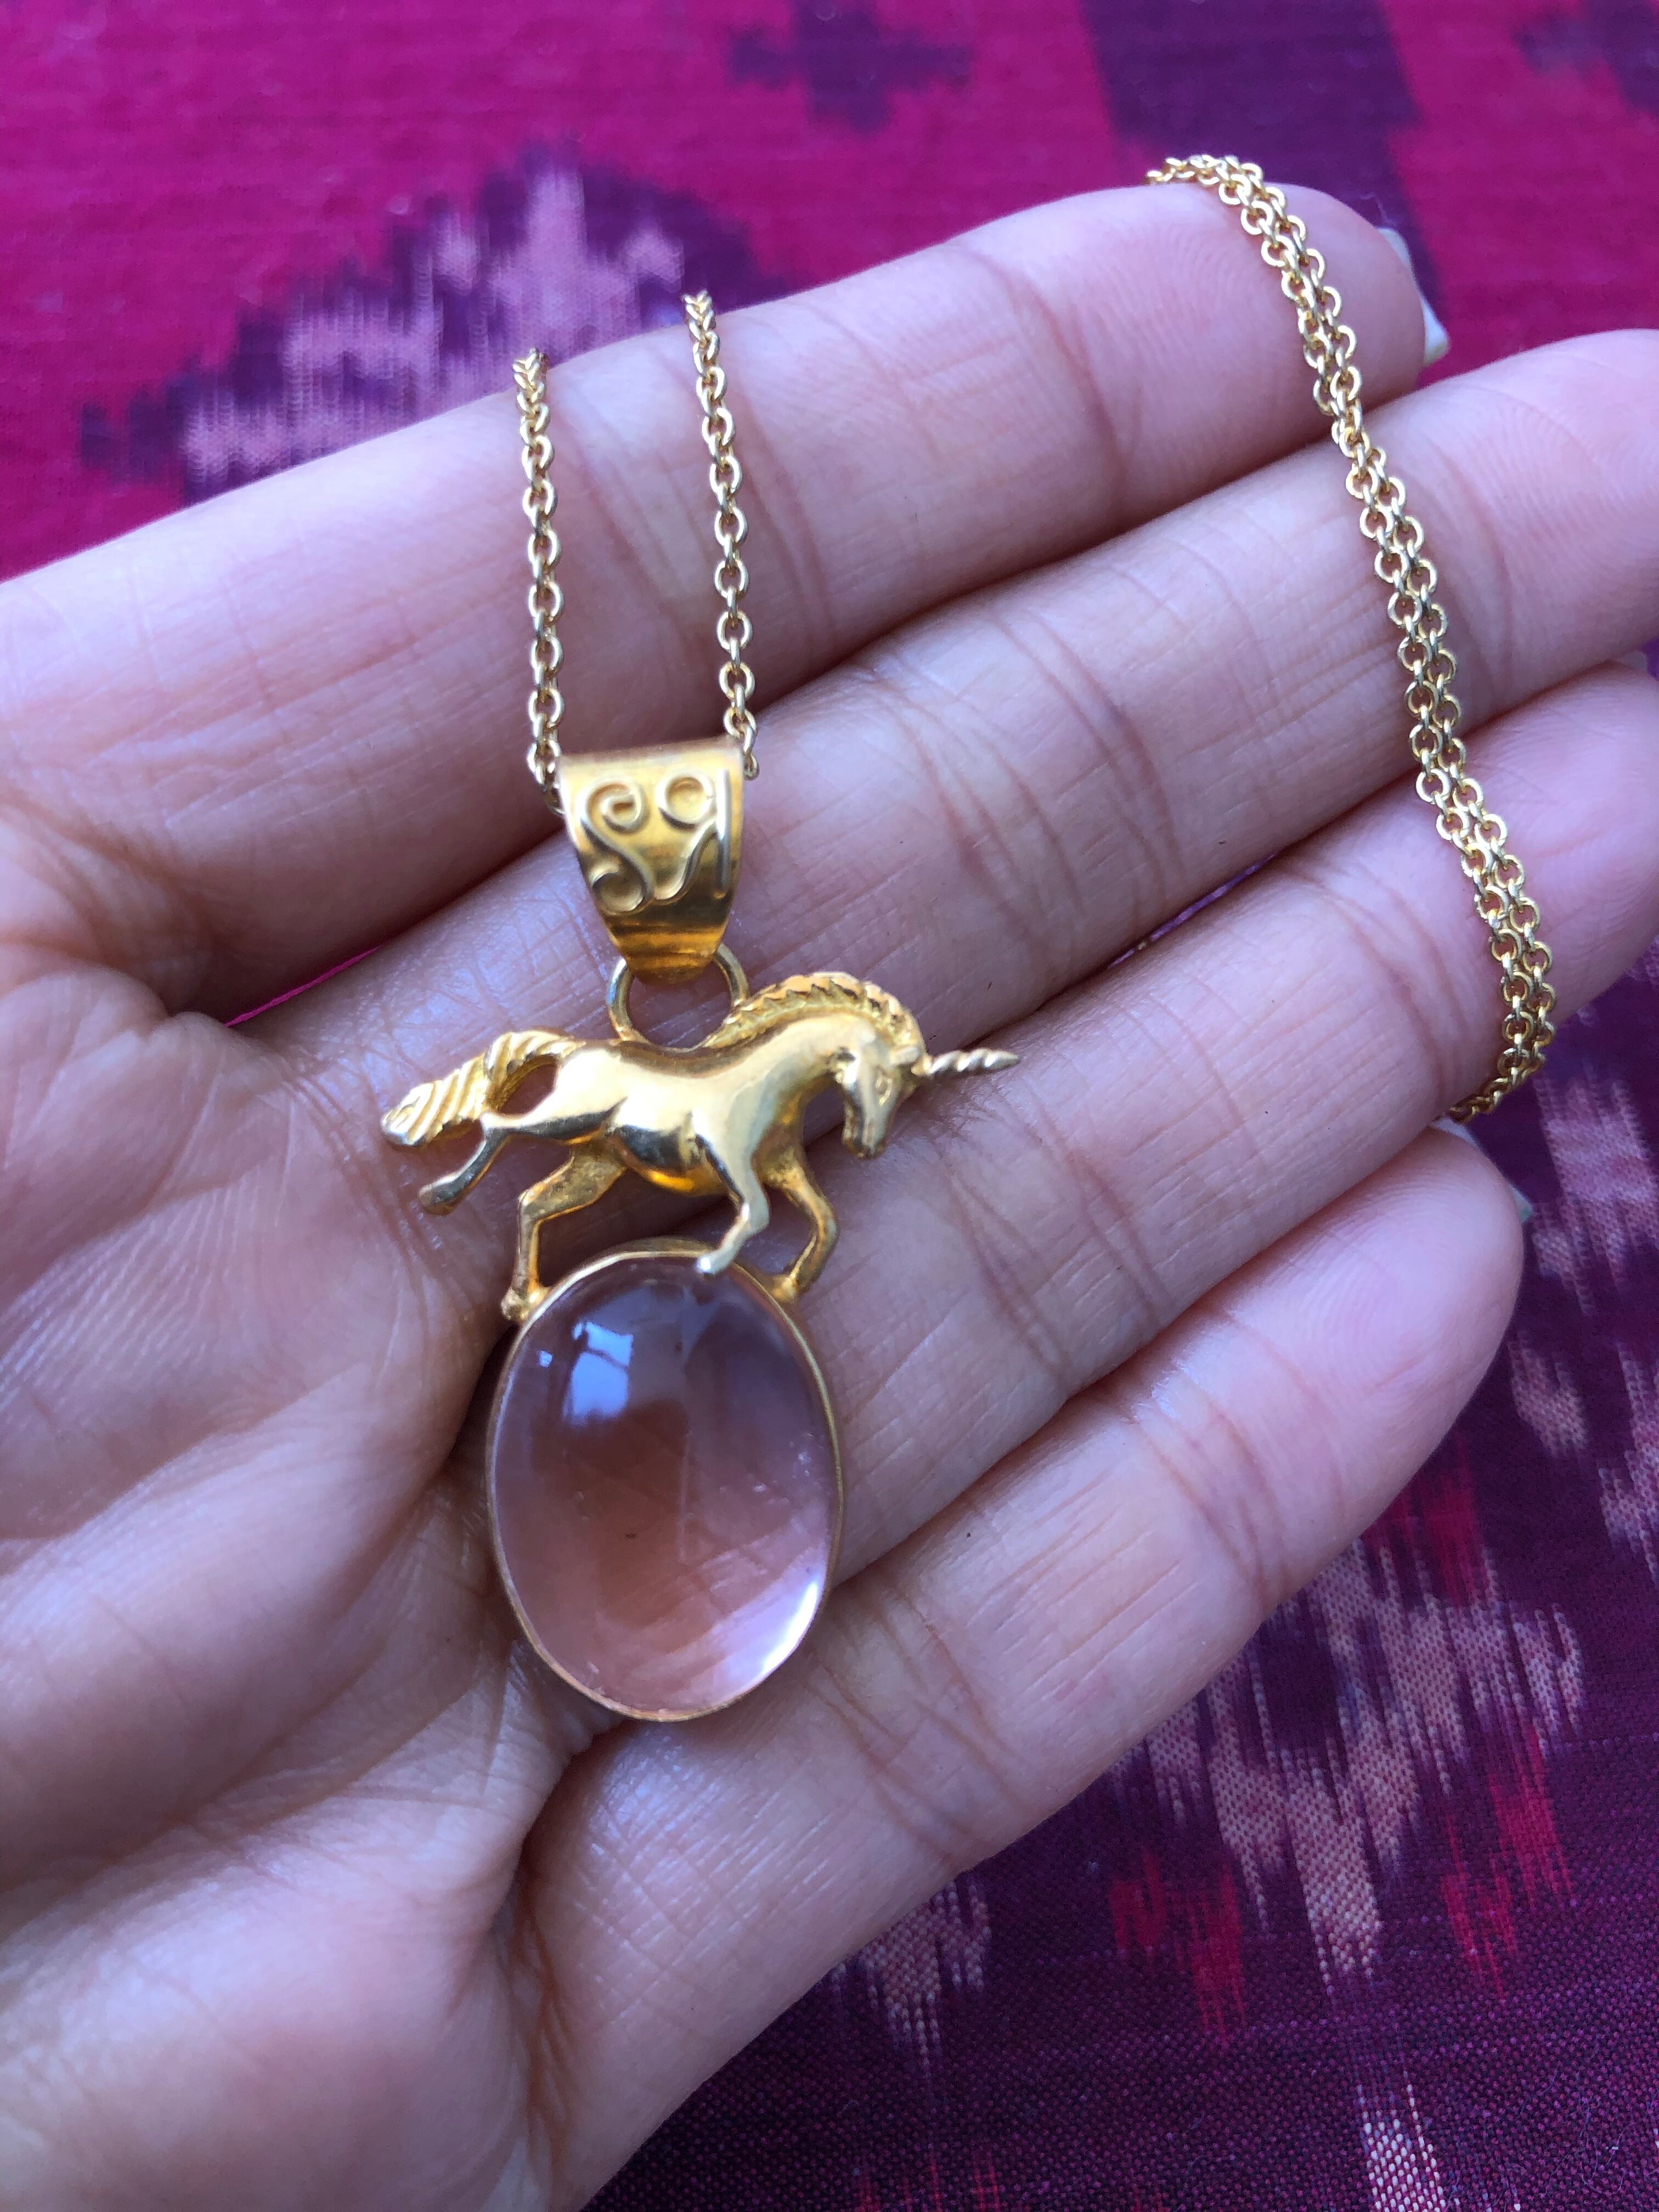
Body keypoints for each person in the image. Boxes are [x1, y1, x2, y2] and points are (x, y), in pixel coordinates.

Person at [1, 180, 1654, 2208]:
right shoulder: (668, 1045)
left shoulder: (778, 1071)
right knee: (621, 1203)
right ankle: (549, 1272)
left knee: (740, 1217)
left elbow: (818, 1143)